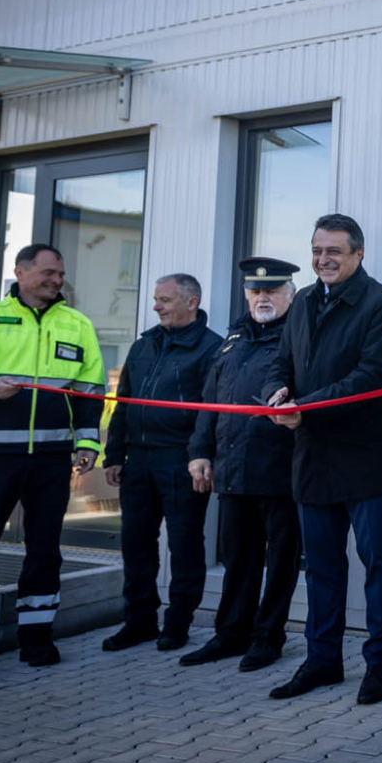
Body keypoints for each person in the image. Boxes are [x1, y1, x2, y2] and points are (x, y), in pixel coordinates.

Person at [0, 244, 105, 684]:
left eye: (60, 273)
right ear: (21, 271)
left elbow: (90, 392)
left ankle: (37, 639)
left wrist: (88, 442)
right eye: (48, 272)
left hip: (51, 459)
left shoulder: (77, 324)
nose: (56, 280)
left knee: (45, 550)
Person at [262, 215, 382, 705]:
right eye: (316, 250)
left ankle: (380, 663)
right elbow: (281, 363)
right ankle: (322, 660)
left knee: (379, 564)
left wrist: (304, 409)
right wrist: (276, 394)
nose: (323, 259)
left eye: (334, 251)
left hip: (368, 456)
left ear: (358, 254)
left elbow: (370, 377)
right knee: (322, 568)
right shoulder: (302, 300)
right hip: (313, 455)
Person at [183, 258, 303, 672]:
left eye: (271, 291)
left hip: (281, 471)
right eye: (255, 291)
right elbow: (210, 401)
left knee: (281, 562)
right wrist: (200, 452)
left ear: (290, 294)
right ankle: (231, 634)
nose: (262, 298)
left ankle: (268, 638)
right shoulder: (233, 339)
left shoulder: (299, 339)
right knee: (238, 559)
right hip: (233, 470)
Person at [101, 274, 222, 653]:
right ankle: (139, 622)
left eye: (165, 300)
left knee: (185, 545)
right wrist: (114, 454)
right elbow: (123, 402)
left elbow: (212, 413)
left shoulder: (212, 349)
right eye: (156, 299)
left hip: (181, 461)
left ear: (191, 302)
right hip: (137, 461)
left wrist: (202, 456)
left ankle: (178, 624)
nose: (156, 307)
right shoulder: (144, 345)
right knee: (135, 543)